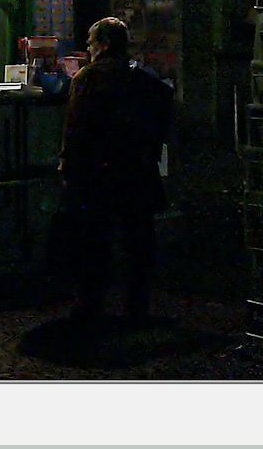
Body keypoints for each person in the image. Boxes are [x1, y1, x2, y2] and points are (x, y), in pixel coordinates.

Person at [58, 16, 174, 324]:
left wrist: (68, 165)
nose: (89, 48)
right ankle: (137, 305)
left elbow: (76, 128)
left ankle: (90, 305)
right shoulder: (145, 80)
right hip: (137, 170)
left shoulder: (88, 79)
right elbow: (164, 114)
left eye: (92, 42)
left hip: (99, 173)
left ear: (105, 44)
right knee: (138, 241)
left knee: (96, 240)